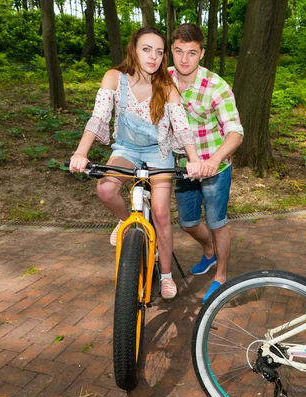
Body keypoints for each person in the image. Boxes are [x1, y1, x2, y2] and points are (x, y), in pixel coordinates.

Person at [69, 27, 200, 300]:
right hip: (126, 149)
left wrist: (194, 160)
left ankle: (165, 274)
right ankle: (127, 221)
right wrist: (80, 153)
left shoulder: (166, 85)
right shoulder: (115, 78)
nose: (153, 56)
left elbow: (182, 128)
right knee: (105, 189)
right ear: (133, 49)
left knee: (162, 214)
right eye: (146, 49)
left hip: (158, 152)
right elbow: (98, 118)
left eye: (159, 51)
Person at [169, 23, 244, 303]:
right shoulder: (163, 80)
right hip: (181, 168)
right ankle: (209, 252)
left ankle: (221, 277)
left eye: (191, 52)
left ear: (201, 53)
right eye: (178, 51)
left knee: (216, 222)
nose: (184, 59)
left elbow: (236, 132)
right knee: (188, 223)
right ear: (172, 52)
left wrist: (214, 159)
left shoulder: (216, 86)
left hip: (215, 168)